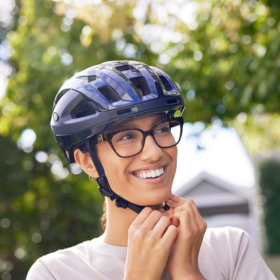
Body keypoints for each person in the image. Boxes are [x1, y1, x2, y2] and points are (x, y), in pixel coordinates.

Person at [27, 61, 276, 280]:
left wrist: (189, 274)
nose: (155, 152)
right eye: (126, 136)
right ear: (87, 162)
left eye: (162, 129)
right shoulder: (55, 273)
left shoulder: (230, 248)